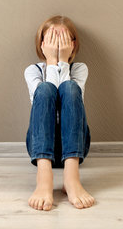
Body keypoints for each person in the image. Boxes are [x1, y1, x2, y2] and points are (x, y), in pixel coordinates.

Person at [24, 15, 95, 210]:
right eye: (52, 40)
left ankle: (72, 179)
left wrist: (62, 61)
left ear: (72, 44)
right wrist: (52, 62)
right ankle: (44, 178)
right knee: (46, 89)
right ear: (42, 43)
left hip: (74, 147)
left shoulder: (79, 69)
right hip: (40, 146)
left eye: (62, 40)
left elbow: (68, 95)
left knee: (71, 88)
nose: (57, 45)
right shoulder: (33, 71)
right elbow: (46, 100)